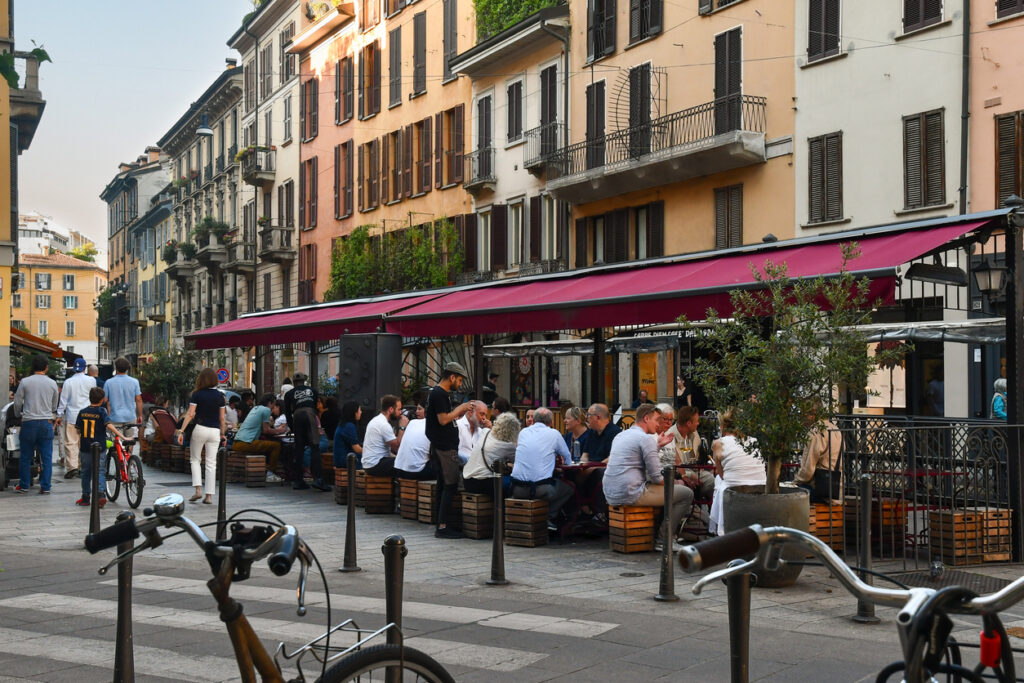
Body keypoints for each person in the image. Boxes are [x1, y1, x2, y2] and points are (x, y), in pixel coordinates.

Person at [603, 403, 693, 552]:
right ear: (646, 418)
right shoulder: (645, 439)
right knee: (686, 493)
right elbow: (657, 478)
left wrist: (657, 446)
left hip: (610, 492)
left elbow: (636, 458)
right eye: (657, 420)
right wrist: (678, 482)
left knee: (668, 489)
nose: (658, 424)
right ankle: (664, 539)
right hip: (630, 493)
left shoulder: (621, 435)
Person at [426, 362, 473, 539]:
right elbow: (443, 419)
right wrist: (460, 409)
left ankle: (441, 523)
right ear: (452, 377)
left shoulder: (438, 394)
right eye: (459, 380)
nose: (460, 384)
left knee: (443, 485)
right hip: (444, 448)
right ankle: (443, 526)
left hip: (442, 446)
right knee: (450, 485)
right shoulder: (439, 394)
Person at [510, 407, 575, 529]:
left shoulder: (523, 432)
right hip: (541, 489)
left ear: (533, 421)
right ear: (551, 423)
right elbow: (567, 458)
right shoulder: (554, 434)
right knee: (570, 487)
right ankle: (548, 516)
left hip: (517, 489)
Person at [709, 408, 767, 535]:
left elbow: (721, 473)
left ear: (723, 426)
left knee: (718, 481)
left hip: (734, 490)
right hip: (760, 486)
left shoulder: (718, 443)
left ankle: (721, 528)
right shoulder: (754, 441)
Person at [177, 368, 226, 504]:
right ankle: (209, 496)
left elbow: (190, 414)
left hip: (200, 428)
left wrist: (181, 431)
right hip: (215, 431)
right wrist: (223, 434)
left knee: (195, 460)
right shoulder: (220, 396)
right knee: (211, 463)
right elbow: (222, 418)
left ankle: (198, 490)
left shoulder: (197, 394)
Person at [12, 354, 59, 493]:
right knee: (47, 456)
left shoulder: (25, 382)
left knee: (25, 456)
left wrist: (17, 415)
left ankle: (25, 485)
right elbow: (54, 404)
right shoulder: (52, 383)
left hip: (29, 422)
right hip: (46, 422)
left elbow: (17, 402)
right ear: (46, 367)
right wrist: (50, 412)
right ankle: (45, 486)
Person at [76, 387, 126, 507]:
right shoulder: (102, 411)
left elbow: (78, 430)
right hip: (100, 447)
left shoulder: (82, 412)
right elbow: (109, 425)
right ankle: (100, 495)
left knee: (85, 472)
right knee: (100, 471)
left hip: (85, 446)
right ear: (102, 400)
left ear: (90, 398)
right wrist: (122, 436)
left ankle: (86, 497)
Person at [284, 373, 330, 491]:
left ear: (293, 383)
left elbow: (288, 413)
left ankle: (298, 480)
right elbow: (314, 407)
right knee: (314, 447)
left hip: (297, 416)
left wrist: (292, 427)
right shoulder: (312, 391)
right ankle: (318, 479)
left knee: (299, 449)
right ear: (304, 382)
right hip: (309, 415)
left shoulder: (289, 394)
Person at [56, 358, 96, 479]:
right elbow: (93, 397)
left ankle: (72, 467)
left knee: (71, 442)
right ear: (85, 368)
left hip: (72, 416)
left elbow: (63, 400)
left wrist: (59, 415)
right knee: (85, 442)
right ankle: (82, 467)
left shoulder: (68, 382)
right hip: (88, 416)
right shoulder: (92, 380)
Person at [463, 411, 520, 495]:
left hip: (467, 481)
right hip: (484, 484)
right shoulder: (508, 446)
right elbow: (519, 462)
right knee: (513, 482)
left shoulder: (485, 432)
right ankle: (502, 507)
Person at [233, 393, 285, 482]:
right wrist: (279, 431)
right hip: (247, 443)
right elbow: (266, 430)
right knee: (276, 445)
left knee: (267, 445)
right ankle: (270, 473)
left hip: (237, 443)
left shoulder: (255, 408)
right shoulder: (266, 410)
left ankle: (265, 468)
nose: (273, 407)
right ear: (269, 403)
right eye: (274, 404)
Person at [793, 411, 843, 504]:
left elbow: (807, 471)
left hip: (820, 493)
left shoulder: (815, 432)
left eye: (803, 413)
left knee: (789, 494)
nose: (801, 418)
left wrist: (794, 483)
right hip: (837, 491)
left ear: (812, 414)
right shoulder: (835, 429)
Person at [665, 405, 713, 499]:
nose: (698, 423)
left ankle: (698, 499)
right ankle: (695, 499)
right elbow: (672, 467)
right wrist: (690, 474)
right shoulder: (669, 437)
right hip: (680, 475)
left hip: (694, 470)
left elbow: (696, 457)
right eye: (696, 421)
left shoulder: (694, 433)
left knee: (713, 480)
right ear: (688, 423)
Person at [362, 394, 409, 477]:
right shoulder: (383, 424)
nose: (400, 412)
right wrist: (402, 427)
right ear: (391, 409)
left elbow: (383, 451)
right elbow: (398, 447)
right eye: (399, 409)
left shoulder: (377, 420)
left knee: (403, 462)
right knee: (408, 466)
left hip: (370, 464)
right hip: (375, 465)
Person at [105, 357, 143, 438]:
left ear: (116, 368)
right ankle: (128, 451)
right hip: (130, 416)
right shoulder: (135, 382)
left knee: (117, 441)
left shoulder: (108, 382)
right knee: (130, 439)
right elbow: (139, 400)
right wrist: (140, 415)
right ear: (127, 368)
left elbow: (105, 400)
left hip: (114, 417)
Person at [394, 414, 434, 480]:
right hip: (416, 472)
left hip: (399, 471)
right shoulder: (434, 425)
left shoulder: (412, 422)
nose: (417, 411)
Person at [456, 400, 490, 465]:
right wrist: (471, 459)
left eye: (485, 415)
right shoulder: (458, 426)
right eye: (482, 414)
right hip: (459, 469)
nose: (484, 418)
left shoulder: (481, 431)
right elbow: (454, 452)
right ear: (471, 412)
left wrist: (488, 431)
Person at [333, 400, 364, 467]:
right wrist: (373, 451)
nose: (361, 412)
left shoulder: (344, 424)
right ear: (354, 412)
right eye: (359, 410)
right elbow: (357, 449)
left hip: (342, 459)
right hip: (346, 461)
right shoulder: (349, 426)